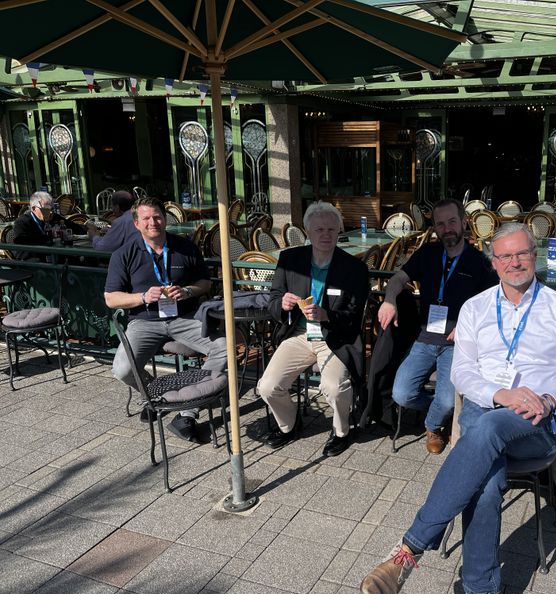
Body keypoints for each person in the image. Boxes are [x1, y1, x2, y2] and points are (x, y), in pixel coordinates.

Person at [360, 223, 556, 594]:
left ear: (535, 256)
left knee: (486, 432)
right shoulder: (475, 308)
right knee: (485, 480)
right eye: (505, 256)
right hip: (486, 407)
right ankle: (480, 593)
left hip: (537, 422)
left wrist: (548, 400)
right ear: (493, 262)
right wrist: (502, 393)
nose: (515, 262)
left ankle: (408, 552)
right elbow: (463, 372)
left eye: (522, 253)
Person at [378, 198, 497, 453]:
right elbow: (399, 277)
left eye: (452, 221)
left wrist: (468, 327)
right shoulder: (428, 254)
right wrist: (389, 300)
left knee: (445, 399)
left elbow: (493, 303)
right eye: (441, 224)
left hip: (458, 343)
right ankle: (444, 412)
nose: (447, 228)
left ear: (464, 222)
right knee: (401, 394)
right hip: (424, 339)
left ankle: (433, 426)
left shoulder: (480, 262)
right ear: (435, 228)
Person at [104, 196, 227, 442]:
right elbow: (111, 299)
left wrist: (188, 291)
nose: (153, 222)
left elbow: (205, 283)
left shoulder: (185, 247)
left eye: (157, 216)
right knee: (121, 369)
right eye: (146, 218)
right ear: (137, 223)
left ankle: (187, 411)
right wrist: (142, 297)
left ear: (165, 219)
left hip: (186, 317)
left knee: (224, 347)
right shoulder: (124, 254)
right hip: (144, 321)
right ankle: (156, 395)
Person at [256, 202, 369, 458]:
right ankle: (289, 424)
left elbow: (354, 316)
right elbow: (273, 300)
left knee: (334, 387)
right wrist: (282, 304)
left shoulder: (354, 268)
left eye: (332, 229)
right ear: (307, 230)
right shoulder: (289, 260)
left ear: (339, 230)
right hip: (299, 334)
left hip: (335, 337)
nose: (326, 235)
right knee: (267, 386)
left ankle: (342, 431)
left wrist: (327, 314)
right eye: (319, 229)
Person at [12, 191, 86, 261]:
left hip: (59, 258)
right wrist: (48, 242)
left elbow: (75, 228)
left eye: (52, 209)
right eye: (46, 209)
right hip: (38, 262)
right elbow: (20, 252)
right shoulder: (22, 223)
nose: (50, 212)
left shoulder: (54, 217)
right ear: (34, 209)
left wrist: (89, 228)